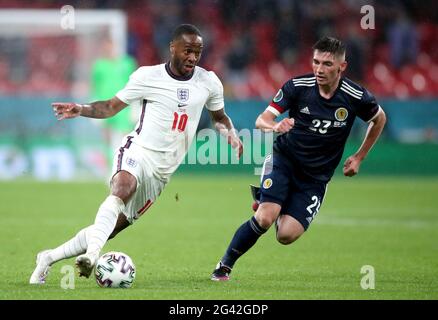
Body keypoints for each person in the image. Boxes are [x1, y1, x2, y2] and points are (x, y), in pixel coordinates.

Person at [29, 24, 243, 284]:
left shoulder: (208, 81)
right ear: (172, 48)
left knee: (110, 228)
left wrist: (229, 132)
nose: (193, 57)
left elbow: (219, 117)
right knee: (122, 187)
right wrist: (81, 109)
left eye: (198, 52)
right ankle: (93, 254)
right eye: (187, 50)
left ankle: (48, 257)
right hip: (137, 150)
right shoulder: (147, 77)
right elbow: (110, 107)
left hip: (162, 173)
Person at [211, 36, 386, 281]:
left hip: (316, 176)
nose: (319, 69)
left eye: (326, 64)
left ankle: (270, 200)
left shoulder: (355, 96)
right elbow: (261, 120)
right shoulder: (298, 86)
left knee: (286, 235)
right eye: (316, 62)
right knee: (264, 217)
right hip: (284, 161)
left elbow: (379, 119)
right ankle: (224, 266)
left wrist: (359, 156)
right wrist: (275, 126)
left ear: (341, 67)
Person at [91, 36, 137, 166]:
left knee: (126, 137)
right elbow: (95, 86)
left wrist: (134, 105)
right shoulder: (99, 65)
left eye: (110, 46)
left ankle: (125, 166)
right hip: (104, 105)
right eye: (105, 46)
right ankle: (108, 169)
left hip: (122, 105)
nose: (108, 49)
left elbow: (133, 84)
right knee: (106, 138)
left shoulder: (128, 63)